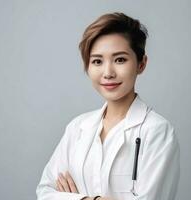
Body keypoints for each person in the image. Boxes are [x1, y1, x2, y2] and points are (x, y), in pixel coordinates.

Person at [36, 12, 180, 200]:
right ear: (87, 67)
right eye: (97, 61)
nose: (108, 73)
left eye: (120, 59)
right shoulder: (77, 127)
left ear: (141, 64)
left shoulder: (157, 131)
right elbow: (45, 192)